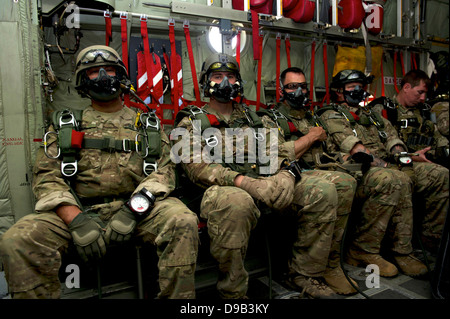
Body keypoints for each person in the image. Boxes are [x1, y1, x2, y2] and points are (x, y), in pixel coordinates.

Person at [0, 45, 199, 299]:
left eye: (110, 70)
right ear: (83, 80)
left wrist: (133, 210)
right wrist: (76, 220)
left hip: (139, 210)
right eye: (94, 72)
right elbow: (46, 177)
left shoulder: (146, 124)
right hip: (79, 211)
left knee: (183, 220)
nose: (104, 76)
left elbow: (165, 171)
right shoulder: (66, 124)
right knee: (16, 240)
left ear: (122, 77)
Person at [173, 53, 351, 299]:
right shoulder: (189, 120)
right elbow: (198, 168)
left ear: (239, 81)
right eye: (217, 76)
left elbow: (276, 152)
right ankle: (233, 293)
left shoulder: (253, 118)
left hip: (263, 182)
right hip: (219, 191)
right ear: (206, 83)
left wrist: (287, 173)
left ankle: (302, 272)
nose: (225, 82)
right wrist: (244, 182)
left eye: (231, 76)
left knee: (322, 190)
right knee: (237, 201)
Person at [320, 69, 448, 276]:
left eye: (361, 86)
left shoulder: (371, 114)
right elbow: (356, 149)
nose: (358, 90)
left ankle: (428, 240)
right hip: (358, 170)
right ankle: (366, 249)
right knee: (396, 179)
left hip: (388, 164)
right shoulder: (331, 115)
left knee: (439, 174)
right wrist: (391, 167)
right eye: (352, 87)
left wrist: (401, 156)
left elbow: (391, 138)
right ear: (339, 91)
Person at [262, 67, 358, 295]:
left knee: (346, 183)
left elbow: (329, 150)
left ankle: (330, 264)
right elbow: (273, 155)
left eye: (302, 86)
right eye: (292, 86)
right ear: (281, 90)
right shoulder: (269, 118)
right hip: (287, 177)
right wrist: (312, 136)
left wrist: (344, 156)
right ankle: (302, 273)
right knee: (324, 190)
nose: (298, 91)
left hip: (316, 171)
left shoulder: (312, 118)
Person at [373, 69, 449, 168]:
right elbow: (377, 146)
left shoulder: (425, 111)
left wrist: (445, 149)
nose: (423, 98)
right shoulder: (384, 109)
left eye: (425, 93)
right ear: (406, 87)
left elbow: (437, 136)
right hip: (398, 163)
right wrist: (409, 156)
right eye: (420, 92)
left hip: (426, 159)